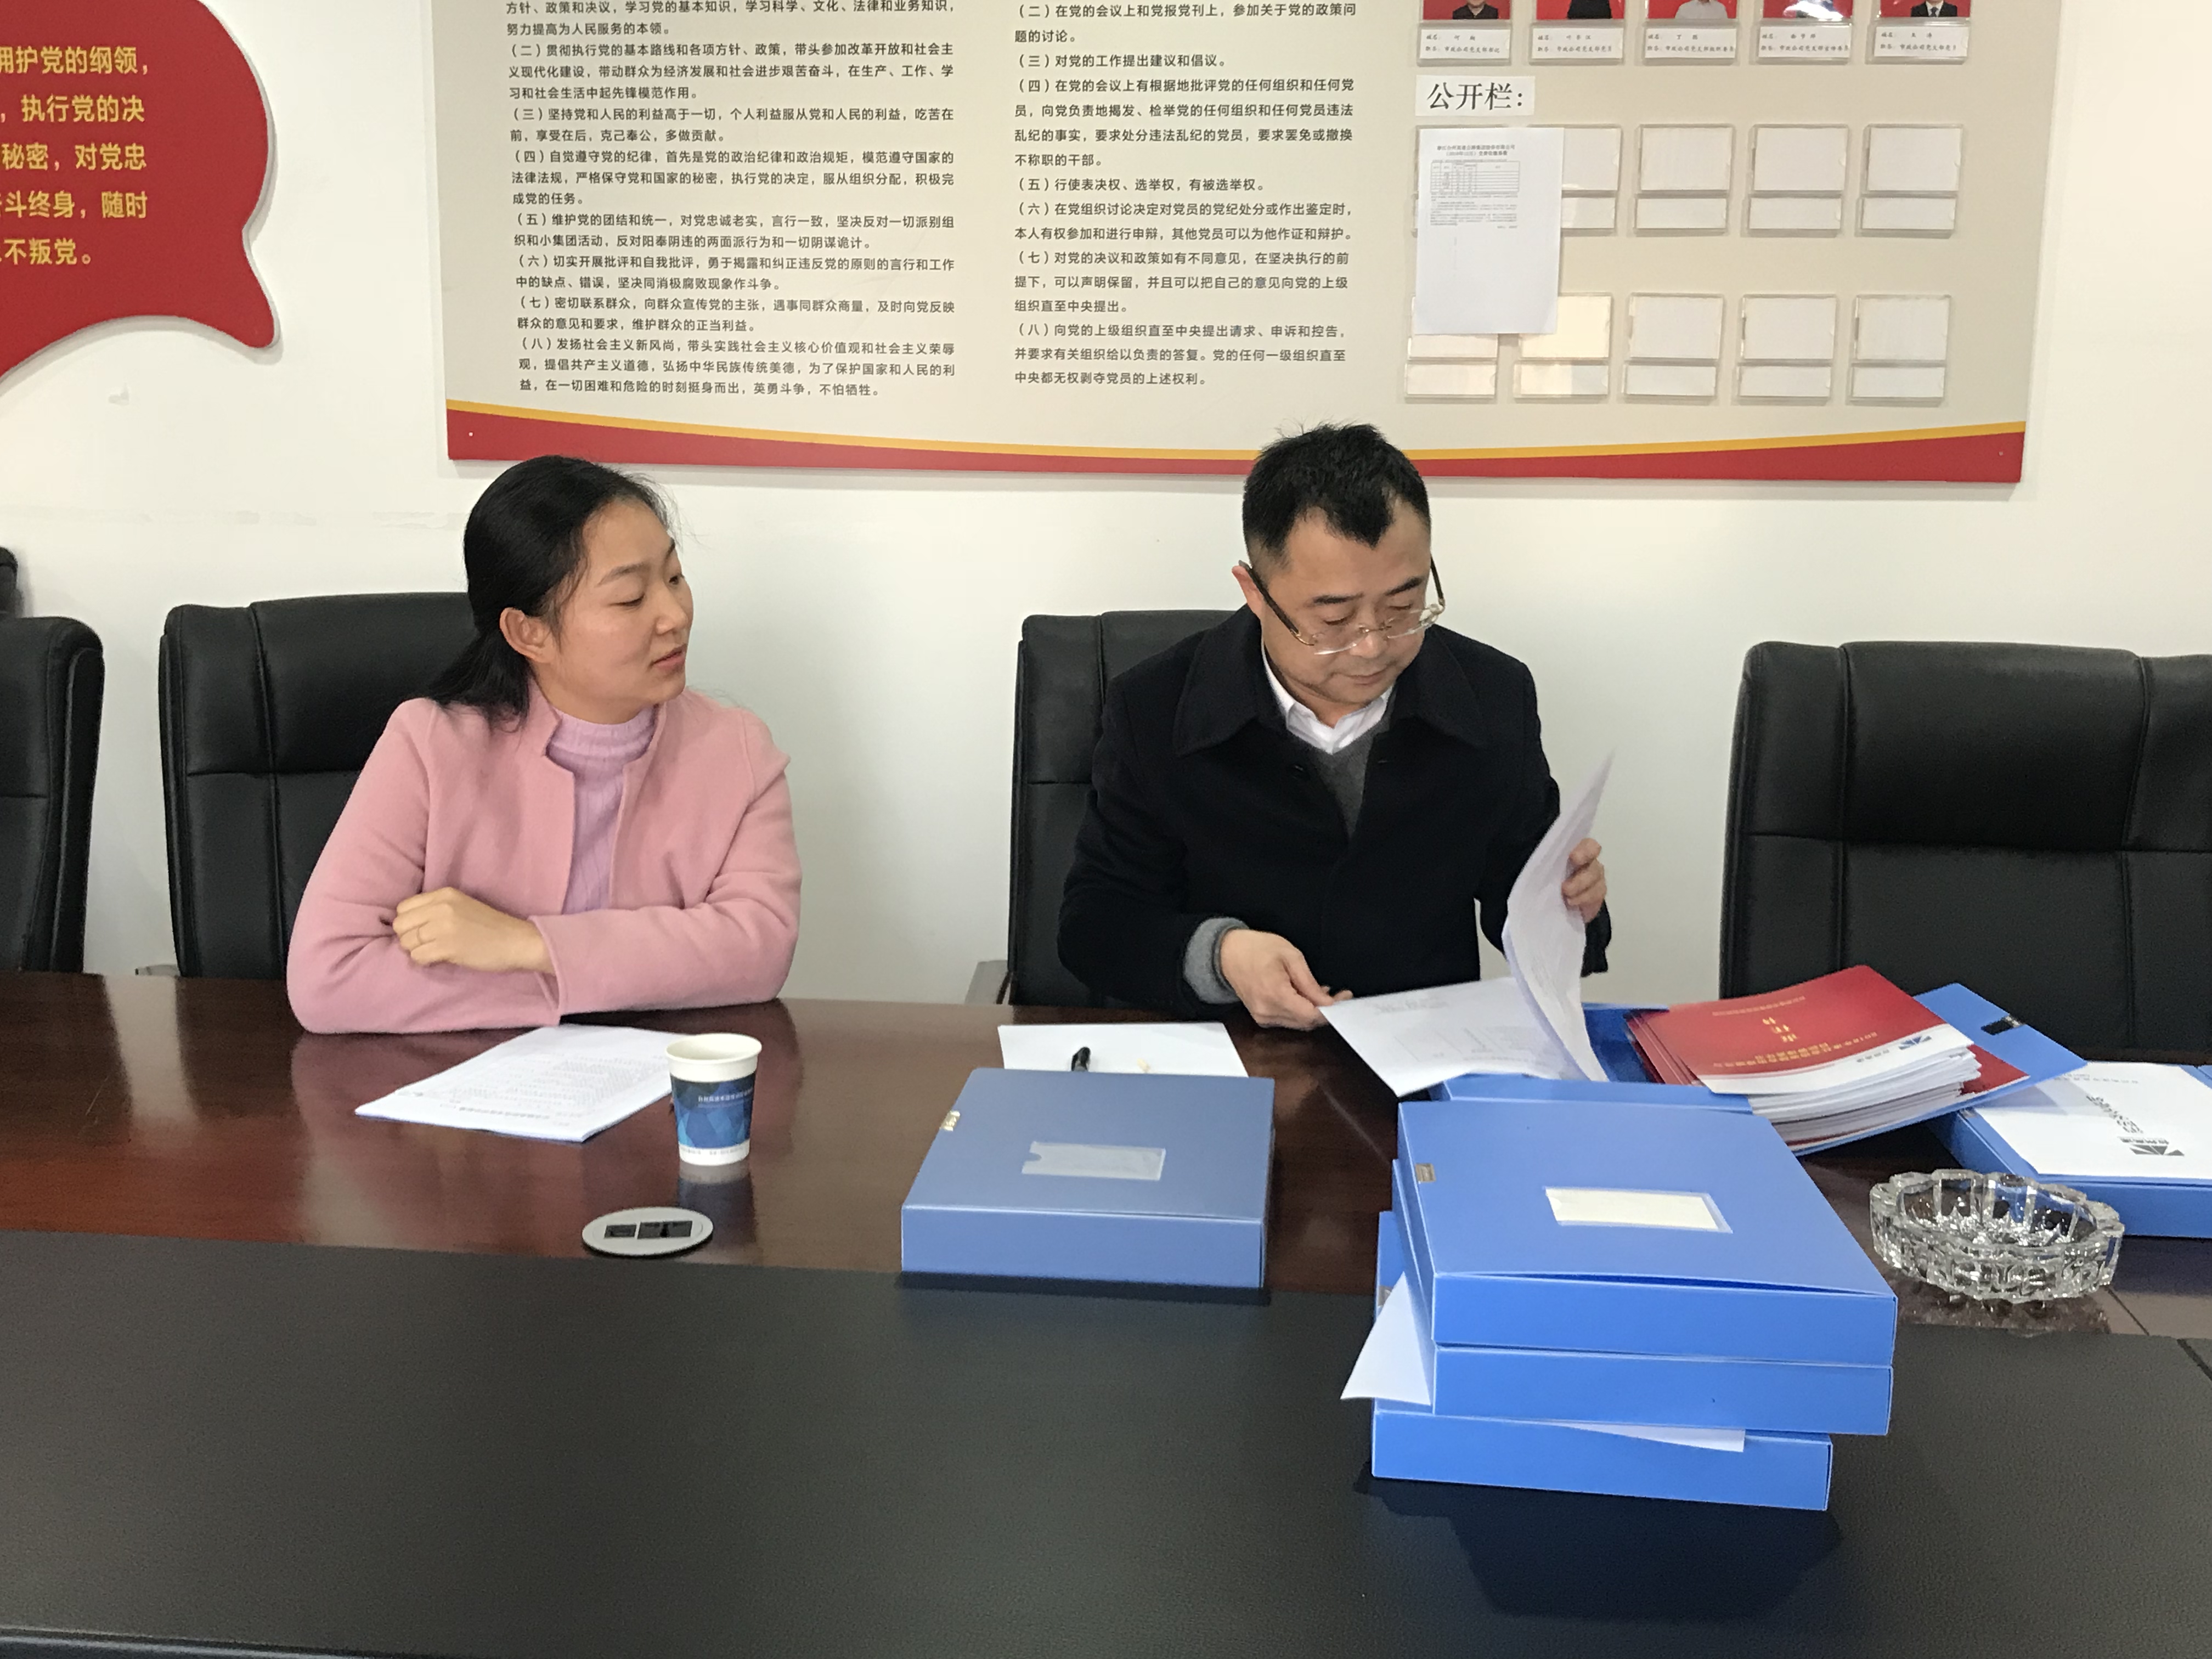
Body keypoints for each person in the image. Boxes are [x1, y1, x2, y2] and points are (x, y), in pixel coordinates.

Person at [1057, 424, 1609, 1030]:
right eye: (1334, 619)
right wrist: (1220, 957)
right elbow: (1097, 924)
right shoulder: (1154, 708)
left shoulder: (1492, 696)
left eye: (1402, 607)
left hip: (1421, 1051)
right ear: (1255, 592)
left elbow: (1524, 902)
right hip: (1231, 1048)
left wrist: (1569, 907)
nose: (1372, 646)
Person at [286, 456, 800, 1034]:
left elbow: (759, 951)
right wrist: (603, 979)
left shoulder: (737, 751)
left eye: (675, 577)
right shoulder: (429, 745)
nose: (674, 614)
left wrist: (526, 945)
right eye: (631, 598)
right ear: (529, 633)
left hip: (662, 1080)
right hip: (468, 1084)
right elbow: (328, 976)